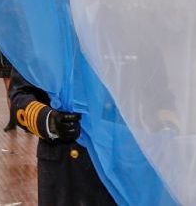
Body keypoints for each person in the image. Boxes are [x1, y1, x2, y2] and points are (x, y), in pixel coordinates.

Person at [8, 67, 116, 206]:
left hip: (117, 163)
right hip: (64, 166)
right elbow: (20, 94)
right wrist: (49, 120)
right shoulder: (41, 44)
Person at [0, 48, 17, 131]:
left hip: (18, 59)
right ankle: (13, 120)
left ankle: (27, 121)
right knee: (10, 92)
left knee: (25, 91)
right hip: (5, 60)